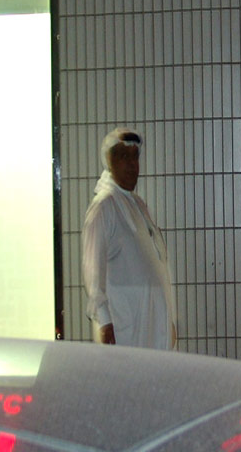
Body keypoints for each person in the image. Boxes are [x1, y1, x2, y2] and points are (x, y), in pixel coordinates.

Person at [82, 127, 176, 348]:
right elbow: (92, 271)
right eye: (124, 157)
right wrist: (104, 320)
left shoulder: (139, 205)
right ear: (109, 161)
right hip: (123, 332)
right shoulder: (103, 207)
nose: (132, 164)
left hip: (151, 328)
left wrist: (167, 321)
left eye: (135, 157)